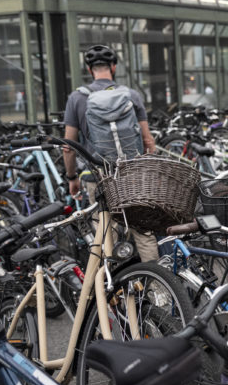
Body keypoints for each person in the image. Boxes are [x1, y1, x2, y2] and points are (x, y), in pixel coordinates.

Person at [62, 44, 159, 262]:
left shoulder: (77, 98)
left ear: (90, 70)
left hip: (98, 176)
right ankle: (158, 291)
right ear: (113, 67)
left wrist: (72, 178)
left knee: (106, 236)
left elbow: (68, 146)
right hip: (131, 174)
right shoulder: (131, 95)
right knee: (144, 234)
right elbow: (147, 140)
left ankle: (112, 289)